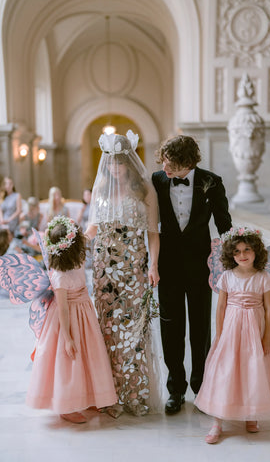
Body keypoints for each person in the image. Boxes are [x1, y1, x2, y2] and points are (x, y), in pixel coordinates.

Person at [195, 227, 270, 444]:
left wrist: (265, 337)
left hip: (256, 328)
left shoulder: (262, 277)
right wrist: (220, 333)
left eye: (247, 250)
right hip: (232, 329)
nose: (242, 255)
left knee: (254, 369)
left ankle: (251, 415)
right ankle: (218, 420)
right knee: (226, 370)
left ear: (256, 252)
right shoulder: (227, 276)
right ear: (230, 255)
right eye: (236, 252)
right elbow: (221, 307)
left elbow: (269, 309)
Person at [152, 135, 232, 414]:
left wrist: (236, 261)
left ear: (187, 162)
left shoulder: (213, 181)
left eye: (171, 162)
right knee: (170, 327)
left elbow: (224, 224)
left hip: (201, 266)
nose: (165, 166)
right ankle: (175, 389)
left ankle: (201, 387)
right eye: (163, 160)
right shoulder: (157, 181)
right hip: (168, 267)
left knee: (200, 328)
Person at [86, 130, 161, 418]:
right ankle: (109, 395)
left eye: (120, 162)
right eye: (111, 162)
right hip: (104, 270)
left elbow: (153, 234)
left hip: (133, 269)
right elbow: (92, 230)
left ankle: (135, 393)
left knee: (134, 331)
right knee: (107, 331)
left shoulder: (144, 189)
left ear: (130, 161)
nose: (115, 168)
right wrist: (68, 240)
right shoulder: (101, 189)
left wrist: (153, 266)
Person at [25, 215, 118, 423]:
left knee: (89, 355)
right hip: (65, 320)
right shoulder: (59, 275)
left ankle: (92, 396)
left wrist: (99, 213)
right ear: (70, 246)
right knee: (69, 359)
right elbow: (63, 310)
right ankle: (66, 405)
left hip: (84, 312)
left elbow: (89, 233)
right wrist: (66, 337)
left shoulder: (76, 256)